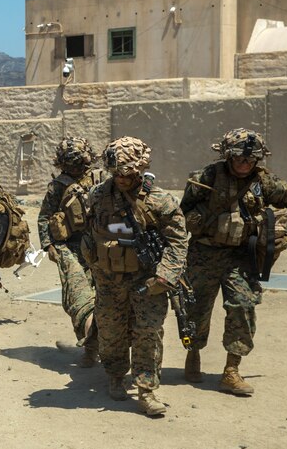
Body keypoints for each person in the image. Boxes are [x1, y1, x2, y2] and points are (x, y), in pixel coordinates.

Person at [180, 128, 287, 394]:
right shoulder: (207, 177)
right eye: (239, 159)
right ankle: (193, 351)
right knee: (196, 309)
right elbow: (183, 209)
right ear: (227, 156)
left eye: (250, 160)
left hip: (241, 255)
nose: (244, 164)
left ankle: (231, 370)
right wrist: (196, 220)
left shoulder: (263, 182)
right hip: (204, 254)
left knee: (243, 307)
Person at [85, 136, 188, 416]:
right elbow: (88, 232)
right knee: (111, 330)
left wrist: (165, 276)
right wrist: (92, 260)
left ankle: (146, 389)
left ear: (140, 168)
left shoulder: (161, 201)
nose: (120, 178)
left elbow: (178, 242)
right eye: (115, 172)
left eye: (127, 172)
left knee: (148, 332)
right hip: (108, 279)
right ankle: (116, 375)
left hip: (148, 280)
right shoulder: (97, 195)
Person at [37, 136, 108, 367]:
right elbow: (45, 216)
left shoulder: (102, 180)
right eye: (70, 164)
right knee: (76, 297)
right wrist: (48, 245)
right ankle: (90, 343)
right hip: (70, 247)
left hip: (101, 246)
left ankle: (96, 345)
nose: (75, 168)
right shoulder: (58, 186)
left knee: (103, 295)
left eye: (78, 163)